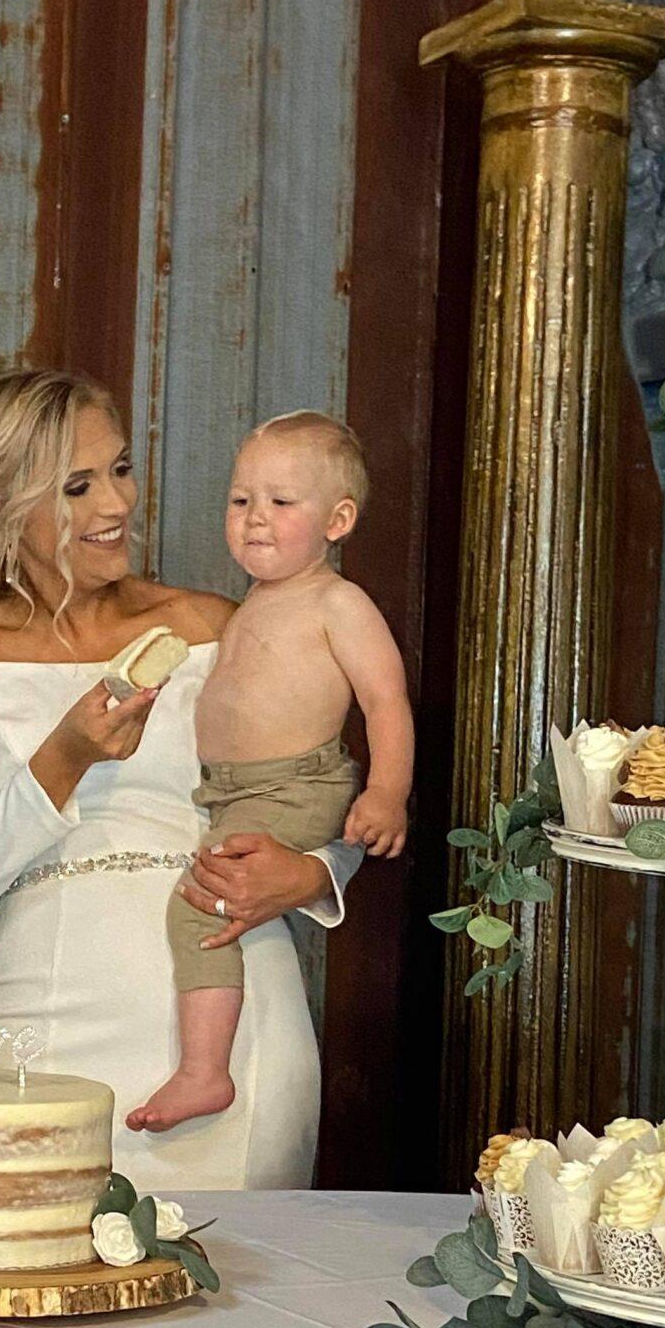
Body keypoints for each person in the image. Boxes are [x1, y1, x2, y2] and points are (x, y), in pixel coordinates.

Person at [0, 367, 362, 1190]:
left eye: (119, 469)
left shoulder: (217, 626)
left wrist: (312, 873)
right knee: (25, 1286)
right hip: (43, 1018)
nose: (117, 505)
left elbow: (313, 788)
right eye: (78, 485)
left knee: (237, 1297)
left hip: (233, 1012)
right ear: (5, 497)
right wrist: (68, 752)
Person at [126, 412, 412, 1134]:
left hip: (296, 785)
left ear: (337, 521)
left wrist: (387, 792)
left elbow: (386, 703)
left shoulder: (337, 603)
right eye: (240, 500)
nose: (255, 519)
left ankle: (205, 1072)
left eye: (281, 503)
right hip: (233, 791)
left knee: (200, 906)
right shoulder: (255, 601)